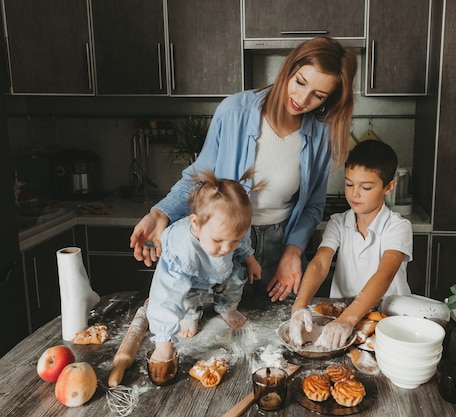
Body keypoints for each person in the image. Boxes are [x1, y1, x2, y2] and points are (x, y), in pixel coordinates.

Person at [130, 37, 358, 302]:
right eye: (300, 82)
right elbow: (199, 179)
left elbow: (312, 206)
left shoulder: (322, 135)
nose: (302, 99)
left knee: (282, 332)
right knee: (217, 327)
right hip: (223, 241)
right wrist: (160, 213)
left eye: (318, 96)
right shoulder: (234, 111)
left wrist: (293, 251)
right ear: (288, 70)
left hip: (279, 246)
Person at [288, 140, 413, 350]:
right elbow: (320, 264)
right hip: (340, 317)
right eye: (348, 184)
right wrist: (299, 307)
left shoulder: (398, 227)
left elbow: (384, 274)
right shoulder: (338, 222)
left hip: (388, 319)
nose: (354, 193)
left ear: (389, 187)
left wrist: (348, 320)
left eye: (365, 187)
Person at [146, 169, 263, 364]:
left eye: (232, 241)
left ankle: (226, 307)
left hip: (221, 270)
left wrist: (250, 260)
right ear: (196, 222)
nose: (226, 248)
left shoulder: (229, 235)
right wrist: (163, 341)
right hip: (191, 275)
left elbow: (241, 243)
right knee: (186, 295)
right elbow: (166, 295)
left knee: (237, 275)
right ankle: (190, 314)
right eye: (218, 240)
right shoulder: (181, 248)